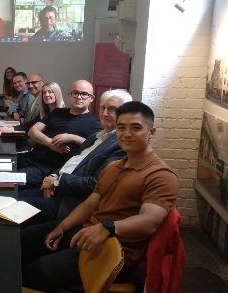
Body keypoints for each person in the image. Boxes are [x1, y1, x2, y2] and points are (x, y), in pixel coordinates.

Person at [21, 101, 179, 292]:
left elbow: (149, 221)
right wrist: (62, 226)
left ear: (151, 132)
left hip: (112, 252)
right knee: (21, 242)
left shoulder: (161, 175)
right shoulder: (113, 167)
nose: (127, 133)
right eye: (122, 127)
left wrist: (108, 227)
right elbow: (90, 205)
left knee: (33, 272)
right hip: (86, 233)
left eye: (135, 128)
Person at [19, 89, 132, 225]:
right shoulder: (95, 137)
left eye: (112, 109)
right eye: (102, 108)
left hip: (69, 202)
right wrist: (53, 177)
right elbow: (72, 162)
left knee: (14, 208)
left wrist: (57, 183)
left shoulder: (119, 145)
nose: (105, 113)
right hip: (55, 185)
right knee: (11, 198)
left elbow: (96, 184)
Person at [19, 80, 103, 189]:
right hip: (29, 158)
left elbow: (96, 149)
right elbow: (32, 131)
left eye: (84, 94)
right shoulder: (57, 112)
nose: (79, 97)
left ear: (91, 98)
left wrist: (72, 138)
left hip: (45, 170)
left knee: (3, 183)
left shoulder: (94, 124)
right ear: (69, 95)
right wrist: (50, 143)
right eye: (75, 93)